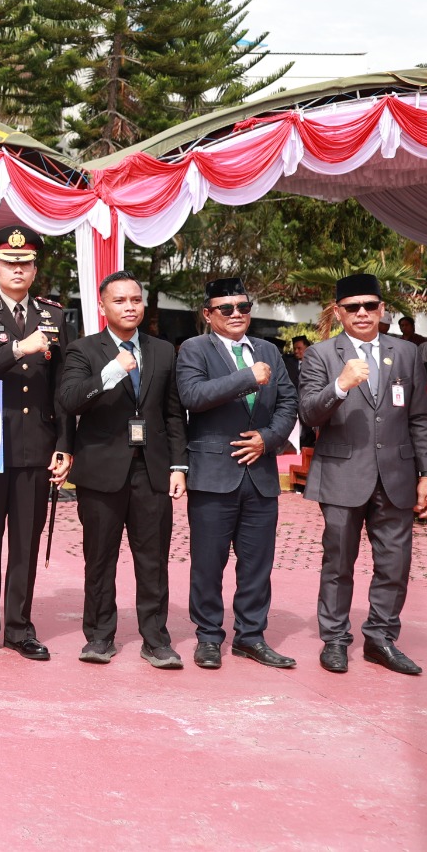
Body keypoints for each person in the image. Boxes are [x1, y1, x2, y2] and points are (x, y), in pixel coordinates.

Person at [298, 273, 427, 675]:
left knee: (395, 563)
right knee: (338, 563)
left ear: (382, 310)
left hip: (396, 476)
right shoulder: (321, 355)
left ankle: (381, 638)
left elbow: (418, 418)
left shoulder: (406, 353)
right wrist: (340, 385)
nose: (362, 313)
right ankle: (335, 640)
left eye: (370, 305)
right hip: (342, 475)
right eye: (353, 307)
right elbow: (308, 413)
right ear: (338, 312)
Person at [0, 226, 73, 661]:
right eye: (9, 263)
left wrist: (65, 444)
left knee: (25, 541)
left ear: (35, 270)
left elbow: (63, 387)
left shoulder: (54, 316)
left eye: (25, 264)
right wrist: (19, 348)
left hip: (35, 447)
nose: (17, 270)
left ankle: (20, 628)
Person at [58, 272, 188, 668]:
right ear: (102, 306)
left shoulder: (163, 350)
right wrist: (112, 370)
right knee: (100, 560)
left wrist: (178, 466)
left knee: (153, 560)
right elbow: (70, 400)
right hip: (101, 473)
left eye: (135, 299)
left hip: (152, 471)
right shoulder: (82, 350)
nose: (129, 307)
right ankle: (99, 637)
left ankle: (156, 640)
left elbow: (173, 414)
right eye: (120, 300)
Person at [174, 278, 300, 670]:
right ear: (207, 313)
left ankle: (251, 636)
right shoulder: (194, 349)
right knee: (208, 564)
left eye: (243, 307)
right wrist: (247, 377)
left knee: (257, 565)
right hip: (213, 474)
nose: (236, 314)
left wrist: (268, 438)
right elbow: (193, 396)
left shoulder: (268, 350)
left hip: (261, 475)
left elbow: (288, 402)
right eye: (225, 308)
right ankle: (208, 637)